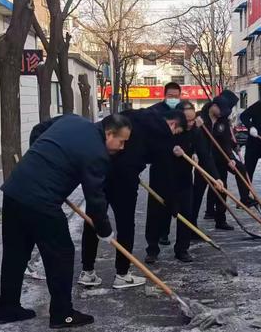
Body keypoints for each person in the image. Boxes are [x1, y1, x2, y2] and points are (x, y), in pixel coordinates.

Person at [0, 114, 131, 328]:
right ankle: (62, 314)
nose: (122, 147)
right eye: (121, 141)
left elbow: (39, 130)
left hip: (15, 190)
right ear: (108, 133)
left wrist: (44, 161)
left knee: (15, 252)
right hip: (42, 201)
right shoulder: (97, 153)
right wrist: (104, 230)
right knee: (61, 255)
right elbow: (95, 198)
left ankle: (7, 308)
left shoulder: (71, 120)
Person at [79, 109, 187, 288]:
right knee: (125, 225)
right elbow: (164, 172)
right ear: (173, 124)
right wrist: (172, 203)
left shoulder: (132, 115)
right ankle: (122, 274)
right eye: (178, 132)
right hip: (125, 182)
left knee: (93, 220)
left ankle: (87, 271)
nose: (175, 136)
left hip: (100, 173)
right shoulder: (163, 135)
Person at [145, 101, 224, 263]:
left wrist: (215, 177)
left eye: (193, 119)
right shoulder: (165, 131)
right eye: (187, 120)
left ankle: (182, 249)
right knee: (156, 214)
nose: (191, 123)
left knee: (186, 215)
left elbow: (205, 156)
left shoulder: (195, 132)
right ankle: (152, 249)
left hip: (183, 180)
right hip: (161, 179)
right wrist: (170, 150)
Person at [192, 90, 255, 231]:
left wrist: (231, 158)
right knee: (197, 193)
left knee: (222, 189)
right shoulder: (199, 118)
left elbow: (226, 141)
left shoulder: (223, 121)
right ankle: (192, 225)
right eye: (220, 110)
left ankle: (221, 220)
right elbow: (192, 138)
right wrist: (195, 150)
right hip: (203, 160)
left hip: (220, 159)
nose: (222, 113)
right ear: (213, 105)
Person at [145, 81, 182, 246]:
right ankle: (152, 243)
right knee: (155, 203)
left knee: (170, 200)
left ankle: (164, 233)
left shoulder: (182, 111)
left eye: (176, 96)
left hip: (177, 163)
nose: (174, 99)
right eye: (170, 96)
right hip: (159, 163)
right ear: (164, 95)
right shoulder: (154, 111)